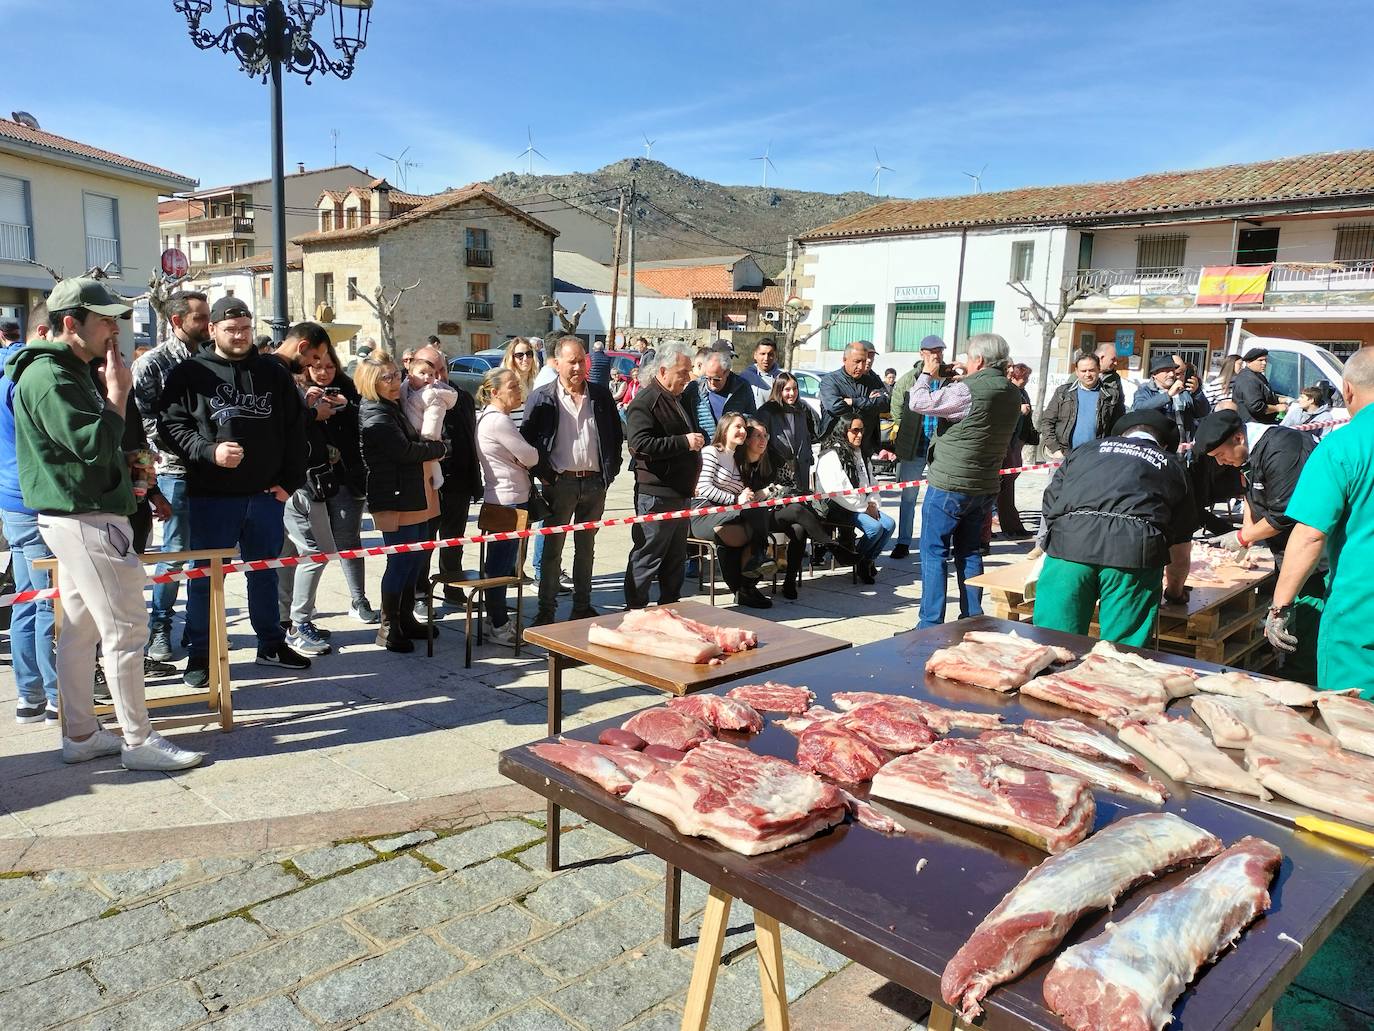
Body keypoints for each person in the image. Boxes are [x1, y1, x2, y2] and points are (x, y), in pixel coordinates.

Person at [6, 278, 202, 769]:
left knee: (80, 631)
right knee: (126, 629)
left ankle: (81, 734)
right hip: (86, 517)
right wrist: (117, 394)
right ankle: (138, 742)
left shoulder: (61, 370)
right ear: (70, 324)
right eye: (104, 320)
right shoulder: (51, 376)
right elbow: (91, 445)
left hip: (79, 514)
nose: (113, 329)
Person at [157, 296, 311, 688]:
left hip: (264, 497)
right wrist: (209, 451)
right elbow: (170, 427)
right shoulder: (190, 373)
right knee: (206, 577)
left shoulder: (272, 374)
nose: (239, 336)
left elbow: (297, 430)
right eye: (230, 330)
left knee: (264, 574)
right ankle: (201, 653)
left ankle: (271, 643)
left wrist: (289, 483)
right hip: (211, 496)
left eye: (244, 328)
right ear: (212, 331)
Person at [1033, 410, 1195, 647]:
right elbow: (1180, 544)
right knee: (1120, 655)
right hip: (1133, 555)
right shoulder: (1172, 466)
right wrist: (1175, 592)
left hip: (1069, 547)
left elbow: (1050, 504)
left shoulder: (1085, 450)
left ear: (1121, 435)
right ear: (1164, 444)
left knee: (1052, 645)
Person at [1265, 347, 1374, 695]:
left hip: (1360, 612)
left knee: (1352, 722)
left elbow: (1310, 534)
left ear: (1348, 391)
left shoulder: (1343, 446)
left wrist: (1279, 607)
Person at [1197, 408, 1323, 680]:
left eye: (1221, 455)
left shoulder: (1283, 449)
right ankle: (1293, 668)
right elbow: (1251, 496)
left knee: (1306, 618)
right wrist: (1247, 533)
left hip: (1313, 560)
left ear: (1239, 438)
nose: (1220, 463)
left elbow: (1285, 513)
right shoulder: (1249, 455)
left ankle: (1304, 679)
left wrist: (1243, 537)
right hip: (1286, 552)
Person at [908, 333, 1022, 629]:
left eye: (970, 359)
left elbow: (919, 402)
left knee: (933, 553)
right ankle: (972, 619)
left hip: (950, 483)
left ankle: (930, 624)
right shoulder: (1012, 392)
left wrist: (926, 373)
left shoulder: (966, 390)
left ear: (980, 360)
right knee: (970, 551)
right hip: (984, 484)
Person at [521, 336, 624, 624]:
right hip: (559, 484)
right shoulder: (542, 397)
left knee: (586, 549)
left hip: (594, 484)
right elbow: (529, 443)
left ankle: (582, 606)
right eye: (572, 361)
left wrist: (609, 472)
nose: (579, 367)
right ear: (556, 363)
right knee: (552, 551)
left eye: (582, 360)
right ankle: (546, 611)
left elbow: (616, 437)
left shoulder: (600, 396)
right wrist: (546, 476)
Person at [132, 290, 209, 661]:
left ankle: (200, 632)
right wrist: (149, 487)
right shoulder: (153, 363)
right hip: (174, 470)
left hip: (213, 471)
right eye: (200, 318)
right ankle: (160, 626)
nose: (207, 325)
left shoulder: (213, 358)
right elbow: (143, 424)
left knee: (208, 555)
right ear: (178, 321)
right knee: (175, 552)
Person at [356, 351, 447, 651]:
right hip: (394, 497)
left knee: (414, 559)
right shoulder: (376, 413)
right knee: (400, 561)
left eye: (396, 374)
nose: (395, 382)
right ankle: (388, 626)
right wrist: (438, 449)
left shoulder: (390, 406)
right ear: (371, 382)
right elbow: (405, 452)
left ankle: (405, 618)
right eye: (386, 377)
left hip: (411, 493)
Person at [271, 322, 347, 657]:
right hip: (297, 483)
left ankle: (286, 621)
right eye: (315, 358)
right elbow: (283, 425)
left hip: (294, 481)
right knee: (317, 552)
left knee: (290, 556)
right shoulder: (278, 373)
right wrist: (314, 413)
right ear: (303, 347)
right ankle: (298, 625)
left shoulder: (277, 373)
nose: (316, 366)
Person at [0, 320, 58, 723]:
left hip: (12, 499)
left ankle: (30, 696)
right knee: (48, 603)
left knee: (27, 598)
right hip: (34, 499)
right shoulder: (30, 378)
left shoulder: (6, 373)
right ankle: (54, 695)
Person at [623, 342, 704, 609]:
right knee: (648, 555)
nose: (686, 378)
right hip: (656, 495)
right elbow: (640, 445)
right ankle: (635, 609)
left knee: (675, 557)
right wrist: (683, 442)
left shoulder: (677, 398)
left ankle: (670, 606)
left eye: (689, 372)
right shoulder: (646, 402)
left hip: (679, 494)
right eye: (682, 372)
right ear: (663, 370)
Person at [742, 418, 855, 599]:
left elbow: (789, 484)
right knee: (797, 511)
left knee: (799, 529)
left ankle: (789, 582)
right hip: (755, 517)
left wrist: (769, 490)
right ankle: (832, 546)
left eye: (766, 435)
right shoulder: (740, 463)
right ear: (747, 439)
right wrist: (763, 493)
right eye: (758, 436)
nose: (763, 440)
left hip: (777, 509)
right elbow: (745, 495)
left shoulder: (773, 457)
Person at [305, 337, 376, 623]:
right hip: (310, 482)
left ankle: (358, 599)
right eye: (317, 366)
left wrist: (348, 406)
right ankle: (302, 610)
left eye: (330, 366)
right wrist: (310, 410)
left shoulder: (350, 391)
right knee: (308, 548)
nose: (324, 373)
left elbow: (369, 421)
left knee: (349, 540)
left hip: (347, 478)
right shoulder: (299, 394)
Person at [474, 368, 538, 646]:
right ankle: (499, 624)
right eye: (512, 386)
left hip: (504, 497)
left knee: (501, 564)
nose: (518, 390)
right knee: (500, 567)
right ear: (494, 392)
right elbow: (531, 455)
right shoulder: (498, 421)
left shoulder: (492, 419)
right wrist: (525, 458)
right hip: (507, 499)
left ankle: (495, 618)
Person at [690, 413, 774, 608]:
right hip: (704, 514)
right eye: (738, 427)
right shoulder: (711, 452)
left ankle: (746, 588)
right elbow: (704, 488)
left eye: (744, 427)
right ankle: (760, 559)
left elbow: (741, 494)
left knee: (756, 514)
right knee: (753, 515)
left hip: (728, 514)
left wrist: (747, 494)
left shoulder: (737, 459)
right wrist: (736, 499)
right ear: (725, 429)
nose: (743, 431)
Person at [815, 415, 894, 584]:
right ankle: (857, 558)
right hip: (837, 507)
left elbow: (871, 482)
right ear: (844, 431)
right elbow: (837, 491)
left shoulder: (860, 453)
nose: (859, 435)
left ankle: (866, 559)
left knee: (889, 525)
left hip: (862, 504)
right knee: (874, 528)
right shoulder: (831, 455)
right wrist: (865, 507)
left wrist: (872, 502)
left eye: (861, 430)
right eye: (854, 430)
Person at [887, 336, 947, 559]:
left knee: (939, 497)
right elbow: (897, 412)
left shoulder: (948, 379)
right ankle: (903, 542)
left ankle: (934, 542)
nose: (937, 355)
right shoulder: (908, 380)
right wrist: (905, 435)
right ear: (922, 353)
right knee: (909, 496)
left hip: (941, 447)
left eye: (940, 350)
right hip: (915, 447)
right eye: (932, 351)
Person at [433, 348, 483, 608]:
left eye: (442, 369)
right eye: (432, 370)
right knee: (426, 542)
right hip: (430, 482)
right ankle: (421, 594)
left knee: (454, 540)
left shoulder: (462, 396)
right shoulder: (417, 396)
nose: (438, 375)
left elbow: (470, 436)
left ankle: (452, 588)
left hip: (460, 480)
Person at [1041, 353, 1125, 457]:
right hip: (1064, 456)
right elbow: (1047, 422)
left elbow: (1119, 427)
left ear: (1099, 369)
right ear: (1076, 371)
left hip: (1096, 457)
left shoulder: (1111, 396)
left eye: (1091, 370)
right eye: (1083, 371)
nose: (1088, 374)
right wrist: (1055, 449)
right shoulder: (1063, 393)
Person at [819, 340, 889, 458]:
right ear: (845, 359)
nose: (861, 366)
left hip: (864, 447)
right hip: (836, 446)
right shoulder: (830, 381)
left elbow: (884, 403)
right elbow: (835, 407)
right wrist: (868, 403)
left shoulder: (871, 380)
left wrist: (853, 401)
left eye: (864, 361)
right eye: (857, 362)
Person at [402, 349, 458, 491]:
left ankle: (438, 477)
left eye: (431, 374)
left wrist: (428, 439)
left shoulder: (433, 395)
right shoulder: (405, 389)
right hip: (411, 439)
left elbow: (434, 418)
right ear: (410, 376)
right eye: (422, 373)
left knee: (432, 463)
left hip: (426, 440)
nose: (430, 377)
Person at [757, 371, 819, 495]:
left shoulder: (801, 409)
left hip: (802, 468)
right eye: (787, 389)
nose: (792, 393)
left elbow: (808, 435)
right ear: (779, 390)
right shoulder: (767, 411)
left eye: (795, 389)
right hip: (778, 470)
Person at [993, 362, 1035, 539]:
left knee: (1007, 486)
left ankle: (1011, 525)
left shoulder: (1022, 392)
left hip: (1014, 442)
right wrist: (1018, 410)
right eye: (1023, 377)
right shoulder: (1007, 391)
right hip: (1003, 444)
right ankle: (1007, 526)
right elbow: (998, 413)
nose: (1025, 380)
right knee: (1003, 487)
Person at [1131, 353, 1211, 442]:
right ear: (1154, 374)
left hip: (1185, 447)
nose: (1171, 374)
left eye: (1173, 370)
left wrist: (1197, 392)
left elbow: (1204, 413)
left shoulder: (1183, 390)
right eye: (1166, 371)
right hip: (1159, 446)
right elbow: (1139, 408)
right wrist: (1168, 395)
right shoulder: (1145, 390)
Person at [681, 349, 755, 438]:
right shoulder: (695, 388)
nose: (711, 382)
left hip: (734, 447)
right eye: (708, 378)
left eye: (716, 379)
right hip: (704, 447)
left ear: (727, 372)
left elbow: (751, 417)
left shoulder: (742, 387)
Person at [1231, 347, 1291, 425]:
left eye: (1265, 360)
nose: (1264, 363)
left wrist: (1282, 400)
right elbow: (1256, 407)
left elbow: (1267, 395)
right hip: (1253, 426)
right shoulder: (1247, 379)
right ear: (1249, 362)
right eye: (1260, 360)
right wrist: (1277, 408)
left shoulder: (1259, 376)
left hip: (1264, 423)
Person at [501, 337, 541, 428]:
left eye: (529, 354)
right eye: (520, 355)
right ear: (512, 358)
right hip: (512, 435)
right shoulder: (506, 385)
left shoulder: (537, 382)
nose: (525, 359)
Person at [738, 338, 780, 406]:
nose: (766, 358)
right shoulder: (745, 377)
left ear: (775, 356)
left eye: (770, 354)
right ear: (755, 355)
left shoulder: (781, 378)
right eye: (762, 354)